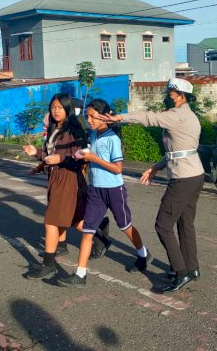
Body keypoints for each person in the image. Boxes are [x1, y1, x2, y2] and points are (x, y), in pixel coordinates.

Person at [99, 78, 203, 294]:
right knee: (185, 224)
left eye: (171, 93)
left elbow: (148, 117)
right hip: (194, 175)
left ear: (181, 95)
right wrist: (156, 167)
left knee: (163, 225)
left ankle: (180, 272)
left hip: (183, 178)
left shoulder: (177, 115)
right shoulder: (189, 116)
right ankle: (191, 268)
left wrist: (119, 117)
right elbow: (179, 150)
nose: (167, 96)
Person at [58, 99, 152, 288]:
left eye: (93, 117)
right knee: (88, 231)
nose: (90, 120)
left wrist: (93, 157)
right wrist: (83, 159)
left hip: (114, 190)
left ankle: (143, 253)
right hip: (95, 190)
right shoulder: (93, 135)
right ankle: (80, 274)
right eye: (87, 117)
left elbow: (117, 169)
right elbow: (91, 159)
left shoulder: (112, 138)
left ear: (104, 116)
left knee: (125, 225)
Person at [22, 93, 89, 279]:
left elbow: (82, 153)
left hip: (68, 178)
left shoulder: (74, 130)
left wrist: (62, 157)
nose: (56, 111)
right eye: (53, 107)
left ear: (67, 109)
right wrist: (37, 154)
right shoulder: (54, 129)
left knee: (51, 220)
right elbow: (50, 154)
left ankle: (48, 265)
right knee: (72, 220)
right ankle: (99, 237)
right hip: (54, 178)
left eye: (60, 107)